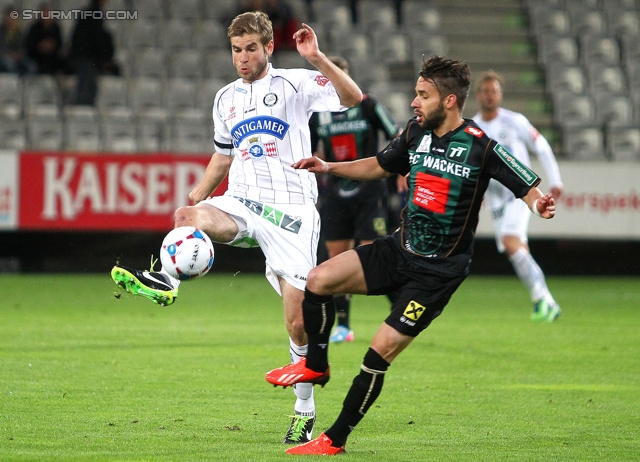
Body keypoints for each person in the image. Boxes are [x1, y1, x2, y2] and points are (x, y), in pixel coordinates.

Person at [265, 55, 558, 455]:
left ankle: (334, 439)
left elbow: (524, 183)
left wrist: (539, 203)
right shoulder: (414, 134)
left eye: (423, 95)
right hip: (399, 249)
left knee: (377, 353)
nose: (414, 102)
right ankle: (317, 364)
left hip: (437, 275)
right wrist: (328, 166)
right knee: (317, 280)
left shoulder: (481, 146)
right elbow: (380, 165)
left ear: (450, 101)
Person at [111, 11, 362, 445]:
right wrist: (198, 195)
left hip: (292, 213)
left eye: (250, 49)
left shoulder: (295, 84)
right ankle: (167, 281)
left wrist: (317, 57)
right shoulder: (225, 98)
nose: (242, 58)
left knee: (298, 324)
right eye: (236, 50)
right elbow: (223, 156)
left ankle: (304, 409)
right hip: (242, 202)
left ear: (267, 47)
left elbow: (354, 97)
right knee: (187, 218)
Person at [309, 55, 401, 343]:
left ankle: (400, 309)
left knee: (373, 254)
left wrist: (400, 168)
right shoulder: (318, 114)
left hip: (370, 189)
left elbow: (396, 135)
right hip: (336, 192)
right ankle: (344, 326)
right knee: (336, 259)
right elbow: (310, 151)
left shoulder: (368, 105)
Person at [472, 70, 562, 322]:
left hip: (520, 194)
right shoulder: (474, 128)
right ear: (478, 95)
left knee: (511, 242)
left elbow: (541, 146)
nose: (490, 96)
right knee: (517, 249)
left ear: (501, 95)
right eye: (486, 91)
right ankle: (545, 301)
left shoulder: (515, 121)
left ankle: (544, 300)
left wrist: (555, 180)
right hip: (497, 199)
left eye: (494, 91)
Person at [69, 0, 119, 105]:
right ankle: (83, 112)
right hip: (87, 57)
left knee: (88, 86)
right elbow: (96, 37)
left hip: (85, 56)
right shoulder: (95, 14)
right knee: (86, 88)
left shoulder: (88, 13)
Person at [25, 2, 66, 74]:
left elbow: (60, 43)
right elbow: (30, 43)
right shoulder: (34, 28)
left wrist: (52, 45)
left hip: (53, 57)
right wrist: (41, 46)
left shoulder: (56, 28)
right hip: (37, 57)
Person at [0, 6, 37, 75]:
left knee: (31, 66)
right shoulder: (1, 31)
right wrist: (9, 54)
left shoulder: (20, 32)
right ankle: (14, 83)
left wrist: (18, 55)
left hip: (19, 57)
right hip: (4, 57)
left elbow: (24, 47)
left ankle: (27, 83)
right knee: (8, 64)